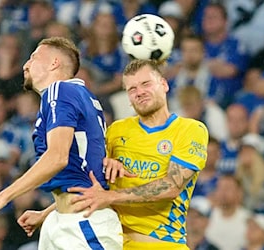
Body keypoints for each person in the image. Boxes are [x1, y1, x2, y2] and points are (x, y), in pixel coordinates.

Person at [0, 37, 123, 250]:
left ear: (54, 63)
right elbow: (80, 169)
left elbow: (57, 157)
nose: (26, 64)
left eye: (33, 57)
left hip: (83, 224)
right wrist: (47, 212)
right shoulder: (78, 96)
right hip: (63, 218)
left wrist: (1, 198)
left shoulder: (60, 91)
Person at [56, 59, 209, 249]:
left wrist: (110, 196)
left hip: (161, 244)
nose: (139, 92)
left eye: (146, 84)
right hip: (112, 242)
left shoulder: (190, 129)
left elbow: (171, 186)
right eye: (132, 89)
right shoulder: (116, 130)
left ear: (164, 84)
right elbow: (89, 186)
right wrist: (50, 212)